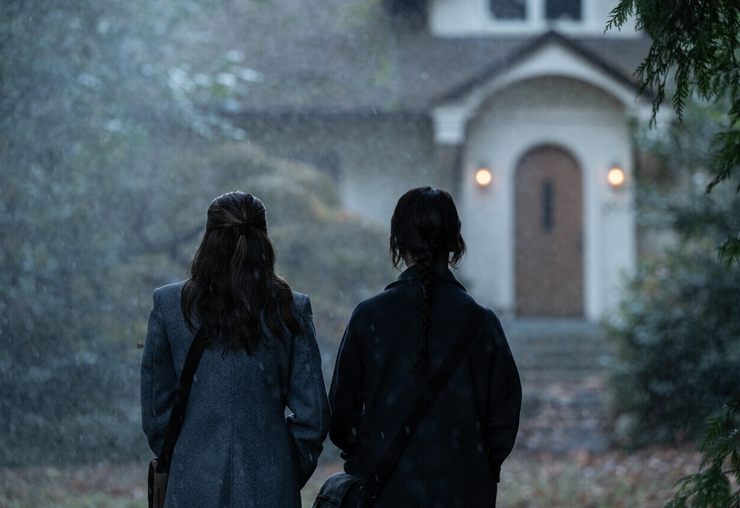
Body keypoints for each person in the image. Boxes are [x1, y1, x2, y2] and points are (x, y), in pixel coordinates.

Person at [329, 187, 522, 507]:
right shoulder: (481, 323)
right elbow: (504, 417)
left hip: (384, 491)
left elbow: (341, 417)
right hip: (463, 492)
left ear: (397, 242)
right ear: (455, 242)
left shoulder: (369, 317)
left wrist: (370, 455)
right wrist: (477, 467)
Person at [141, 191, 329, 507]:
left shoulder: (169, 305)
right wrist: (279, 471)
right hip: (269, 492)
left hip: (192, 490)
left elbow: (155, 412)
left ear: (208, 239)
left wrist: (185, 459)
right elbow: (314, 417)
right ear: (264, 241)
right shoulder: (290, 308)